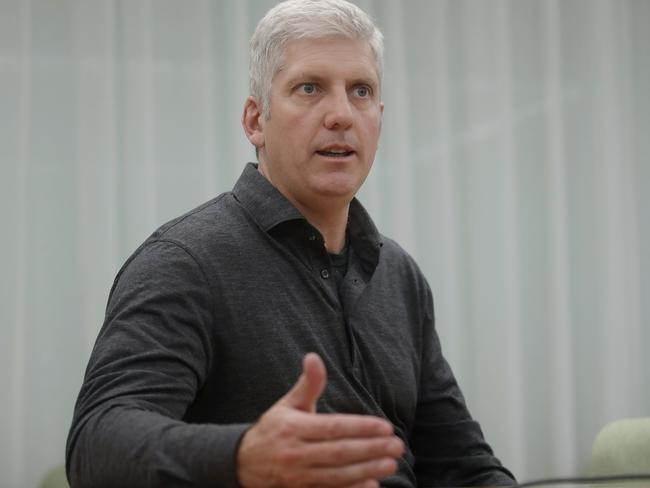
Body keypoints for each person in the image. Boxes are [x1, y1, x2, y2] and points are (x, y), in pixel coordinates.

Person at [66, 1, 516, 487]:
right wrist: (242, 457)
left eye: (360, 91)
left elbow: (461, 464)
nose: (342, 114)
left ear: (379, 120)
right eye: (310, 88)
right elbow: (96, 447)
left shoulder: (399, 276)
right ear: (256, 120)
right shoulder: (184, 263)